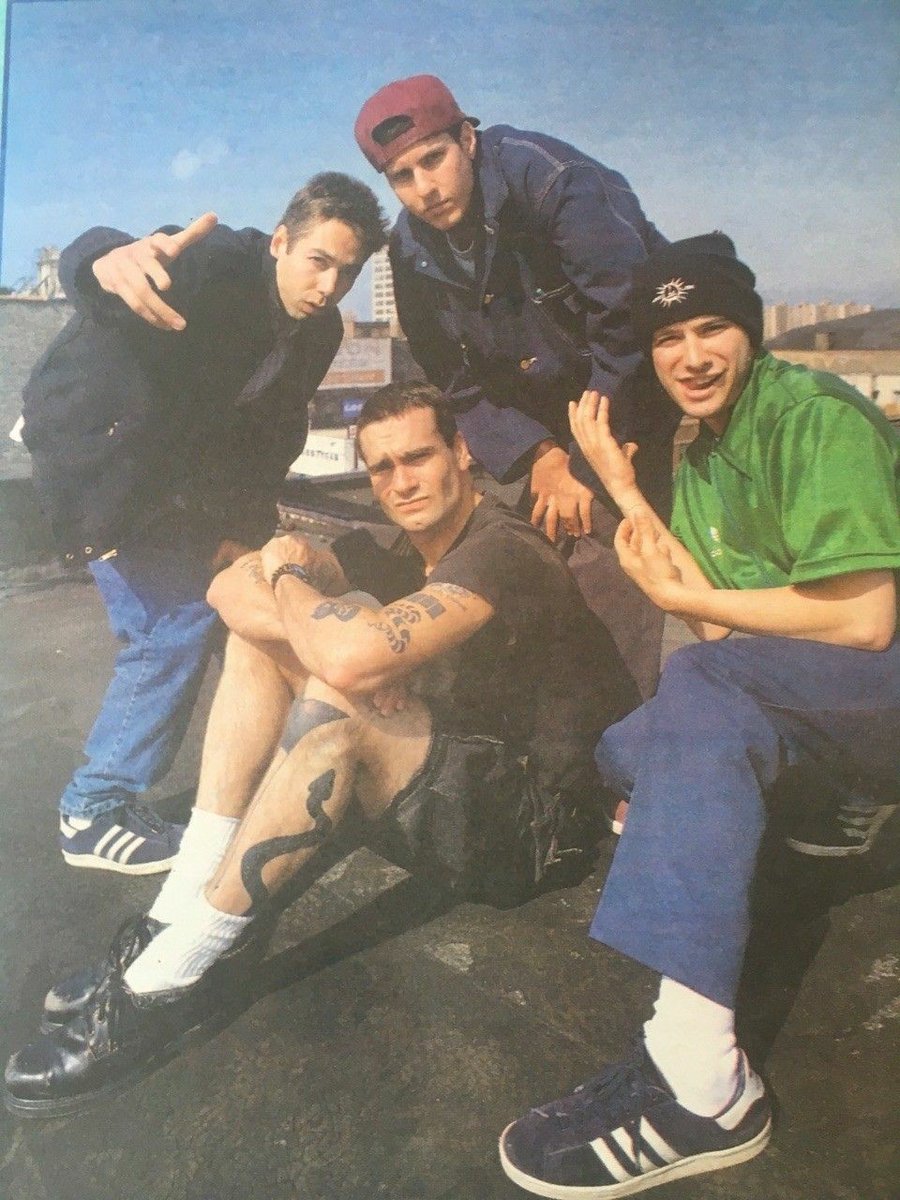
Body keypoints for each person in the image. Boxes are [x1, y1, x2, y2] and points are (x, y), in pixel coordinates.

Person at [4, 381, 635, 1118]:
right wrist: (322, 607)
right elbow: (227, 596)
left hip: (528, 830)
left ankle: (171, 980)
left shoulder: (503, 550)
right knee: (264, 640)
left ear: (463, 454)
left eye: (419, 458)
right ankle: (177, 915)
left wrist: (331, 615)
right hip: (451, 775)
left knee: (339, 704)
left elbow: (345, 655)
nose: (400, 483)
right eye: (381, 468)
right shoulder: (393, 546)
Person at [498, 233, 900, 1197]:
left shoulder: (811, 418)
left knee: (700, 704)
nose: (690, 354)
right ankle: (829, 810)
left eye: (712, 325)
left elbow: (864, 617)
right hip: (842, 697)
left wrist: (707, 612)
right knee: (627, 750)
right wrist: (627, 489)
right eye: (668, 336)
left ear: (751, 331)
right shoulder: (711, 452)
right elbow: (725, 634)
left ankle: (704, 1082)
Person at [21, 174, 388, 873]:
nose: (330, 285)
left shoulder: (321, 332)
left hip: (171, 475)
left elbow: (271, 432)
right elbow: (110, 259)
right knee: (170, 625)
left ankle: (275, 771)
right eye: (318, 261)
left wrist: (243, 528)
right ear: (280, 241)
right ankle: (91, 809)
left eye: (348, 271)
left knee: (229, 605)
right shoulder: (217, 263)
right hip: (95, 455)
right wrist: (103, 261)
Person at [354, 75, 680, 702]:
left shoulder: (554, 182)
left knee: (606, 548)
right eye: (402, 176)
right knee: (500, 540)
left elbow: (631, 327)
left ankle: (623, 757)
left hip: (633, 389)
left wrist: (582, 464)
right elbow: (456, 381)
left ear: (467, 140)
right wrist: (541, 456)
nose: (425, 188)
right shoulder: (410, 248)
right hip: (536, 416)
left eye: (434, 159)